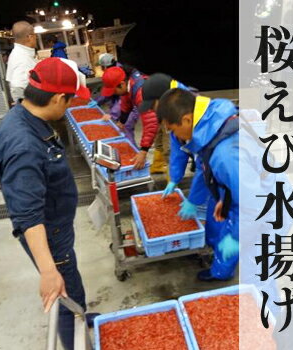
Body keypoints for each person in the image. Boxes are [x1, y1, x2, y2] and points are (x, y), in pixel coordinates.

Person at [0, 57, 97, 350]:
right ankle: (77, 333)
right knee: (67, 295)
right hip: (50, 235)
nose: (69, 107)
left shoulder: (22, 117)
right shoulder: (25, 145)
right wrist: (49, 269)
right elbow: (27, 215)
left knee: (72, 290)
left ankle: (82, 317)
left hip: (56, 227)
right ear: (55, 98)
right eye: (68, 100)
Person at [157, 89, 239, 282]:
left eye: (173, 130)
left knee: (231, 232)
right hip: (228, 188)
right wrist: (193, 200)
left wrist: (236, 237)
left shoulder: (226, 155)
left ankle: (222, 274)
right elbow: (205, 170)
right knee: (216, 221)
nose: (174, 137)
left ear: (186, 120)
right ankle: (215, 252)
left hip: (257, 199)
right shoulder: (209, 126)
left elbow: (251, 201)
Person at [139, 73, 208, 218]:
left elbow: (206, 166)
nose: (152, 110)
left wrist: (194, 199)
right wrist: (175, 179)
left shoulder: (198, 116)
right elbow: (178, 149)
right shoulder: (174, 113)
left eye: (153, 105)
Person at [101, 66, 158, 169]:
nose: (113, 93)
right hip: (158, 110)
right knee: (159, 142)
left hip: (171, 110)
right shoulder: (129, 85)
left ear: (122, 84)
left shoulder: (141, 92)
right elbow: (126, 103)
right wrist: (122, 121)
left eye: (113, 90)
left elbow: (150, 123)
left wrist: (143, 151)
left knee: (171, 146)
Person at [6, 21, 37, 103]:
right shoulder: (23, 58)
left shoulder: (17, 53)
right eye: (35, 35)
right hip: (30, 107)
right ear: (30, 37)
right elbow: (17, 86)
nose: (36, 38)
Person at [86, 53, 121, 120]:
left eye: (102, 66)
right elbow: (108, 91)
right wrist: (98, 100)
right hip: (117, 101)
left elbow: (122, 99)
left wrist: (113, 113)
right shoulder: (110, 71)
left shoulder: (119, 73)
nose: (102, 68)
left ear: (106, 66)